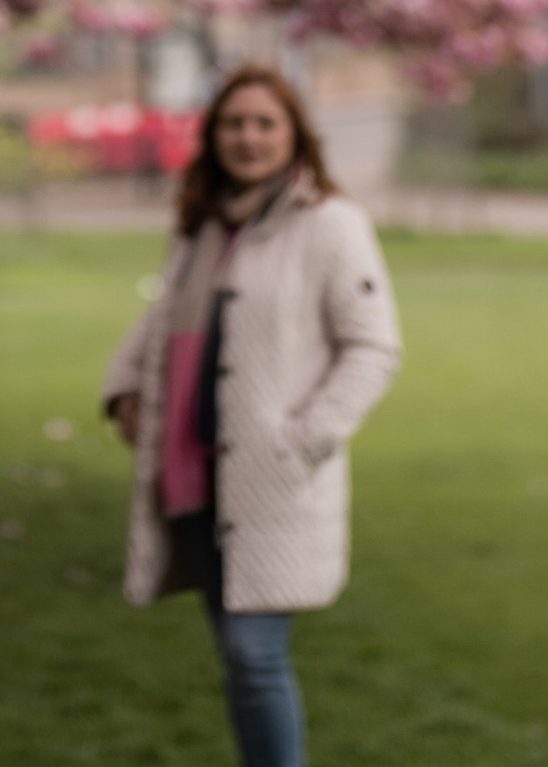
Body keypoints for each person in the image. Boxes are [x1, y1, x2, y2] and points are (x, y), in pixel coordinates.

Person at [102, 64, 401, 767]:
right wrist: (122, 388)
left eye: (265, 122)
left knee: (253, 651)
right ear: (212, 137)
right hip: (193, 470)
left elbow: (374, 346)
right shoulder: (201, 226)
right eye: (234, 123)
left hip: (274, 479)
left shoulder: (331, 225)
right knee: (236, 658)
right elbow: (166, 317)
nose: (248, 137)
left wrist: (305, 438)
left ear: (295, 135)